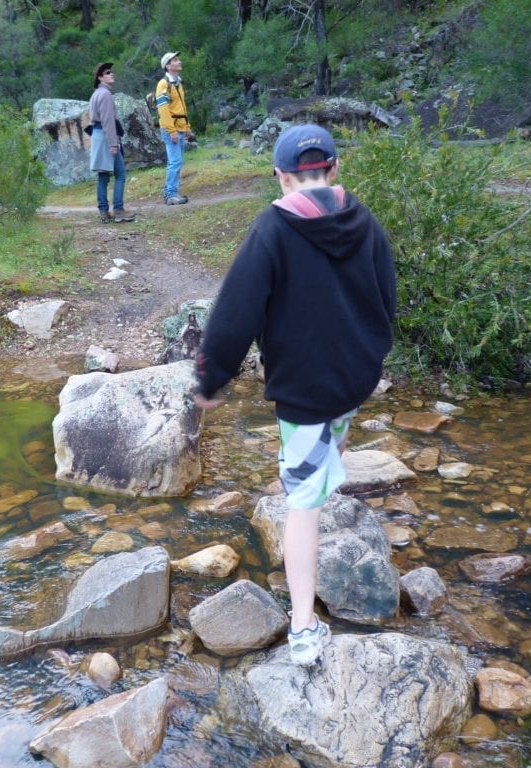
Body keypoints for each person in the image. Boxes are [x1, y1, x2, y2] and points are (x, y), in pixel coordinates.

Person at [193, 124, 396, 666]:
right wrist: (370, 356)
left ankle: (303, 628)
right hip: (355, 379)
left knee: (301, 505)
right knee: (331, 451)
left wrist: (211, 380)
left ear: (281, 177)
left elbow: (236, 313)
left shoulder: (273, 227)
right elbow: (386, 295)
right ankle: (332, 481)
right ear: (333, 170)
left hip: (306, 392)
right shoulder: (366, 220)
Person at [89, 62, 135, 224]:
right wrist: (113, 143)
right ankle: (118, 210)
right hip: (106, 136)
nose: (111, 74)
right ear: (100, 77)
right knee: (120, 174)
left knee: (103, 176)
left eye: (111, 72)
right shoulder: (106, 95)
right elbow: (108, 121)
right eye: (107, 72)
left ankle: (103, 211)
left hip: (97, 135)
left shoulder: (96, 94)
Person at [155, 52, 195, 205]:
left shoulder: (178, 82)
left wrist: (187, 128)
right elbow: (163, 110)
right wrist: (172, 131)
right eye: (175, 60)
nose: (179, 61)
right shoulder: (163, 84)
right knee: (175, 161)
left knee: (177, 161)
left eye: (178, 59)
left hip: (179, 127)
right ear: (168, 65)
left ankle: (172, 192)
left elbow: (182, 108)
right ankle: (170, 194)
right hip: (170, 129)